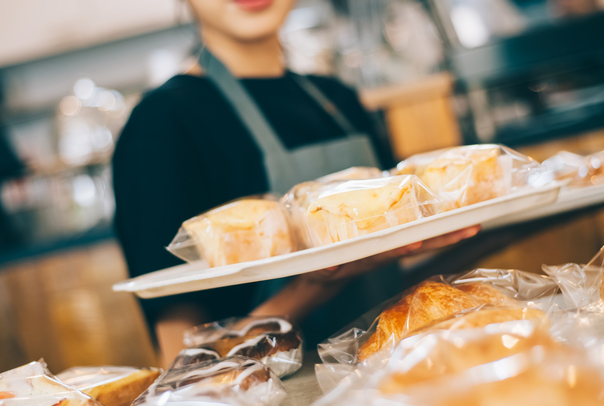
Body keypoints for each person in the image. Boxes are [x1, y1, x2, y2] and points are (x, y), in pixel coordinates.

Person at [112, 0, 479, 365]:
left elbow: (387, 275)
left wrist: (502, 227)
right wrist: (315, 285)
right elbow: (183, 362)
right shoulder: (160, 126)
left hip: (400, 371)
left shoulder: (338, 100)